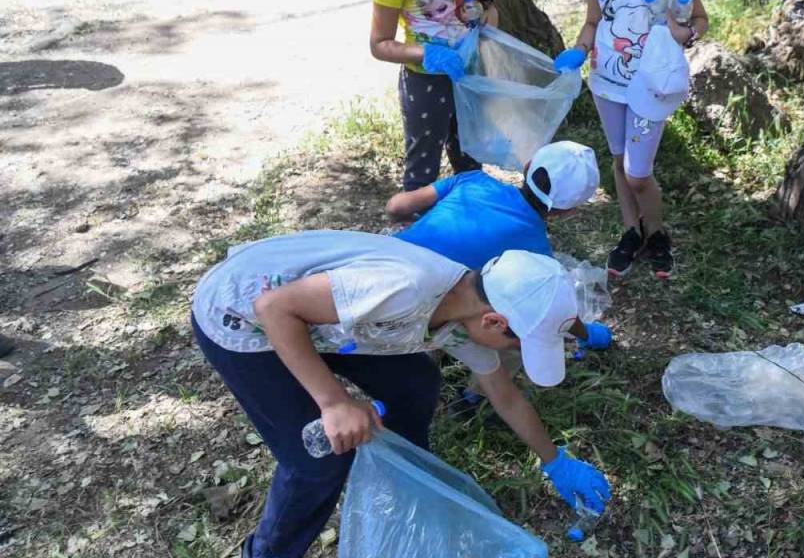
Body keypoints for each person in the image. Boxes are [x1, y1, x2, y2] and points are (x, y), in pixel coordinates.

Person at [191, 232, 611, 558]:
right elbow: (274, 309)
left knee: (414, 384)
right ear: (496, 320)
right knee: (317, 462)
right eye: (519, 343)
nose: (514, 352)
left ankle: (405, 480)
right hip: (243, 320)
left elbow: (506, 397)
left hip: (328, 324)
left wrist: (555, 461)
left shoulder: (465, 314)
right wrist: (334, 401)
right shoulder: (404, 289)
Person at [387, 140, 613, 411]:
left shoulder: (473, 180)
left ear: (528, 166)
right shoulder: (536, 254)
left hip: (386, 274)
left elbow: (396, 208)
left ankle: (432, 354)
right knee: (522, 325)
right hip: (422, 314)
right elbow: (552, 314)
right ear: (570, 211)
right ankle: (475, 396)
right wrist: (587, 333)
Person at [554, 0, 709, 279]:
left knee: (638, 173)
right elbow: (593, 22)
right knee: (620, 158)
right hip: (606, 82)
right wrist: (579, 48)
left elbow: (701, 19)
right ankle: (631, 230)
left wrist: (686, 33)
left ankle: (657, 233)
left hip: (650, 86)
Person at [370, 0, 496, 192]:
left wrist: (476, 11)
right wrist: (425, 53)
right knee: (423, 164)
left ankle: (469, 214)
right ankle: (416, 228)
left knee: (469, 155)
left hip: (464, 73)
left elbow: (457, 6)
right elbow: (379, 44)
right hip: (425, 82)